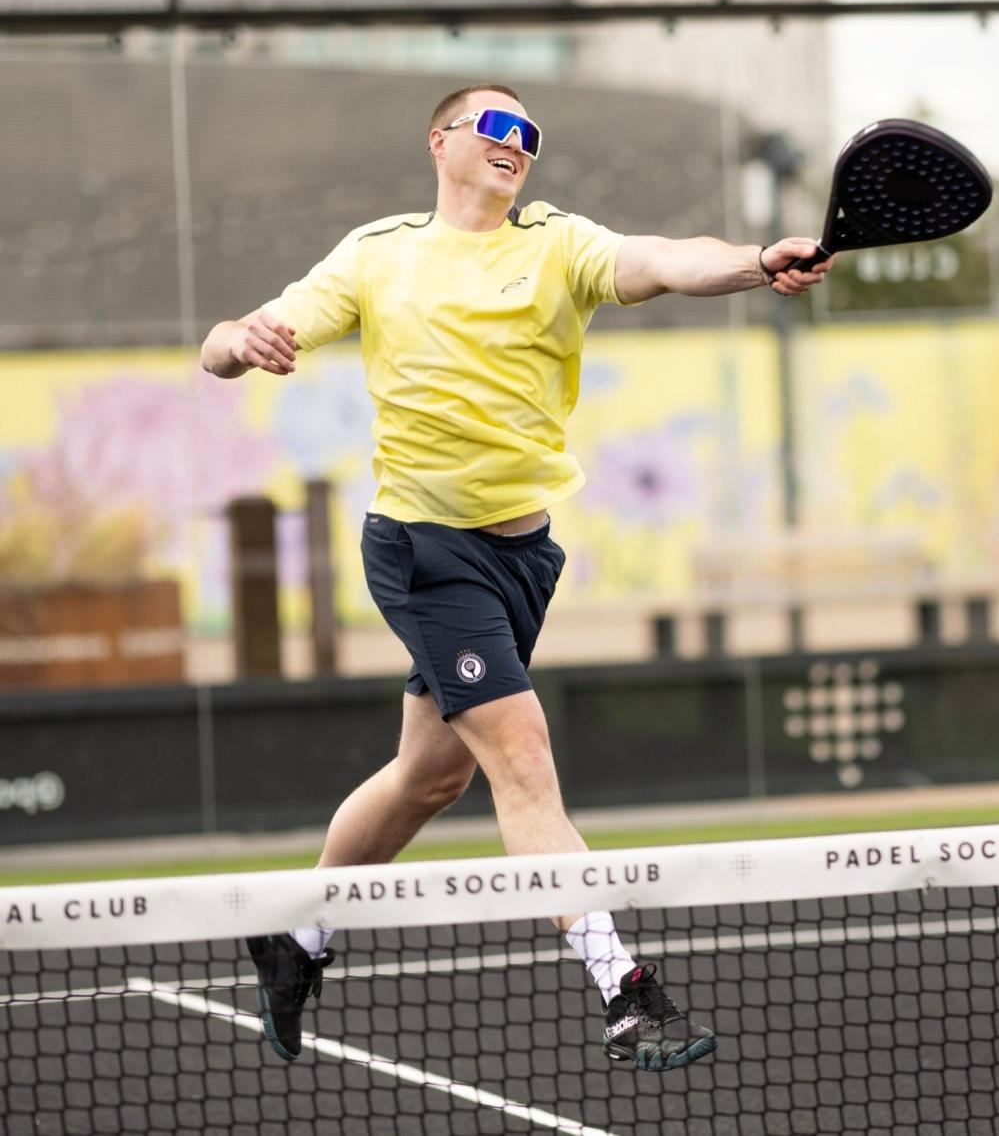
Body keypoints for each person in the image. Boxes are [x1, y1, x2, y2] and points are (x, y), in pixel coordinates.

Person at [200, 83, 829, 1072]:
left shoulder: (559, 245)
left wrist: (757, 262)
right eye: (495, 127)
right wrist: (243, 341)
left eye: (529, 135)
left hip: (522, 555)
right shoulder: (378, 253)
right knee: (521, 756)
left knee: (429, 774)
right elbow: (222, 343)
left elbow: (666, 260)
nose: (515, 144)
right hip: (422, 546)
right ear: (440, 141)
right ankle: (623, 987)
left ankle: (296, 935)